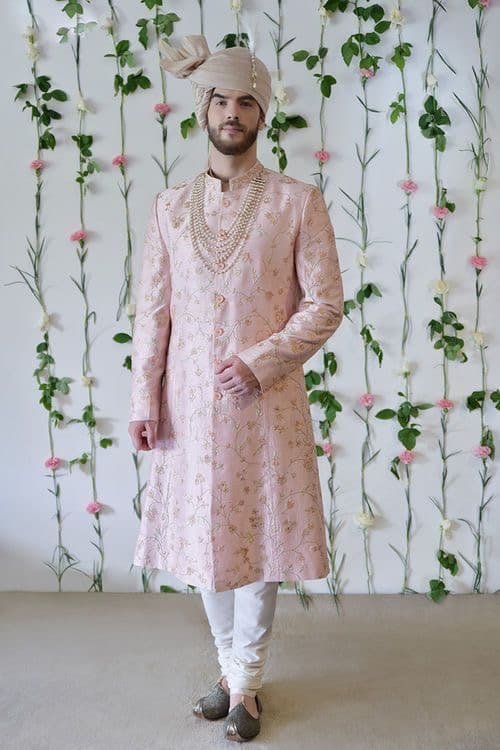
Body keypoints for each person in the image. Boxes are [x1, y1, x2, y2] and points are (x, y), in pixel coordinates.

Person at [128, 34, 344, 742]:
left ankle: (245, 683)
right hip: (188, 408)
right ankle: (231, 672)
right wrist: (144, 400)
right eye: (220, 99)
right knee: (204, 543)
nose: (232, 112)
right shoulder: (169, 207)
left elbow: (325, 304)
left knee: (258, 542)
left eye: (246, 101)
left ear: (262, 113)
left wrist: (262, 360)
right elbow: (153, 312)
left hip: (264, 403)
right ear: (203, 110)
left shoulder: (297, 202)